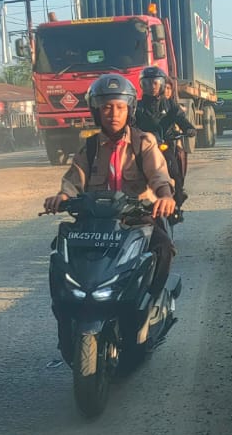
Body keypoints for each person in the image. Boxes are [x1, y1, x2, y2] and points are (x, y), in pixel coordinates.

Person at [44, 73, 177, 294]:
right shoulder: (90, 147)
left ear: (129, 110)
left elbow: (158, 174)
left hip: (136, 219)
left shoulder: (143, 142)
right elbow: (73, 179)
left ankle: (150, 301)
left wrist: (165, 196)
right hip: (96, 221)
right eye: (106, 107)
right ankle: (68, 311)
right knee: (60, 252)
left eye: (120, 107)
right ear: (96, 111)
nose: (113, 114)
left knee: (163, 248)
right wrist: (63, 196)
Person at [134, 66, 195, 212]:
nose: (151, 87)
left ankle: (178, 200)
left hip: (166, 144)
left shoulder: (170, 105)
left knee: (174, 169)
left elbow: (181, 118)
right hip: (143, 148)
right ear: (142, 85)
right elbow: (130, 124)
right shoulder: (138, 107)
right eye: (147, 83)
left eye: (155, 83)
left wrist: (188, 128)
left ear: (161, 84)